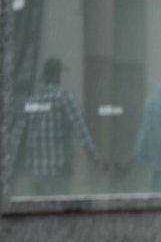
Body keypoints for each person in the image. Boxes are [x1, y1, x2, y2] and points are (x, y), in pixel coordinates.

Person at [10, 57, 107, 195]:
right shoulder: (65, 98)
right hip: (59, 169)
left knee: (41, 210)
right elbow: (81, 130)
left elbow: (17, 134)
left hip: (36, 171)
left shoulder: (31, 100)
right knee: (60, 209)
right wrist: (96, 158)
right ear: (56, 75)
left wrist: (7, 168)